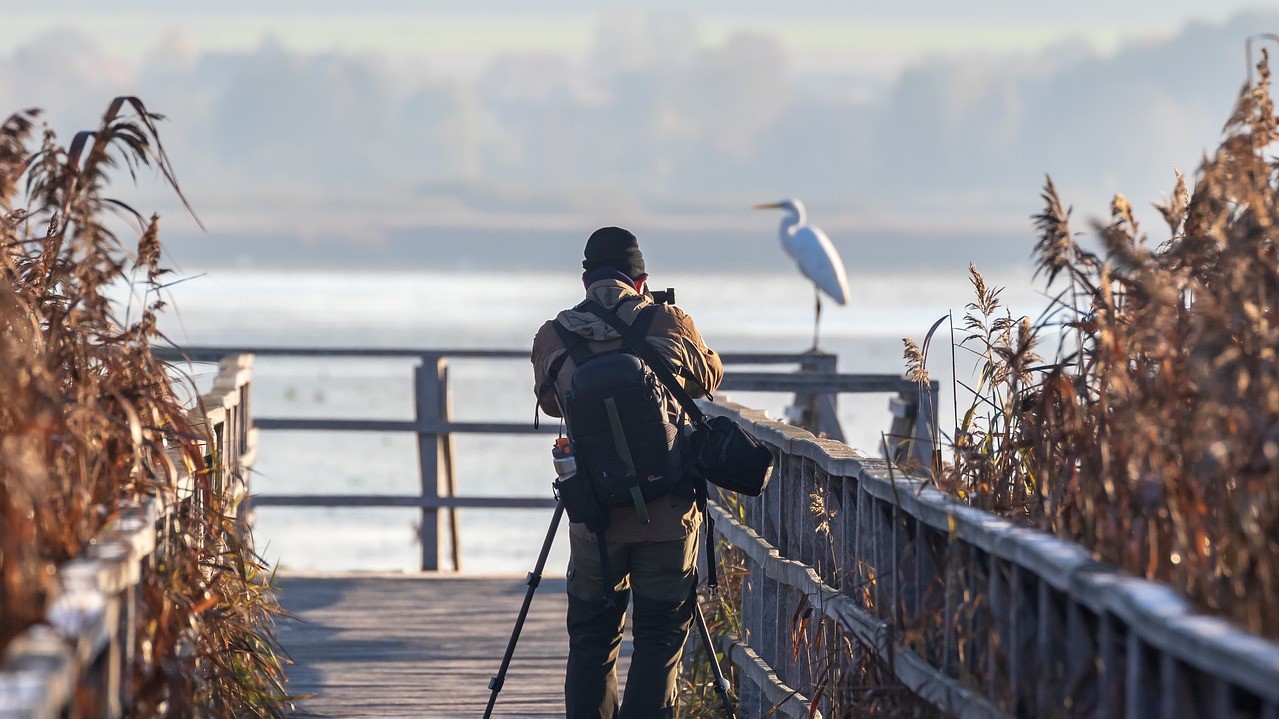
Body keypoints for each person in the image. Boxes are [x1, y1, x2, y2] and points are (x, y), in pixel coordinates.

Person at [531, 226, 724, 719]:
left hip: (593, 514)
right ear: (641, 280)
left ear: (585, 282)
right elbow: (709, 378)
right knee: (660, 633)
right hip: (668, 509)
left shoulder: (554, 335)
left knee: (593, 635)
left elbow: (551, 403)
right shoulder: (668, 322)